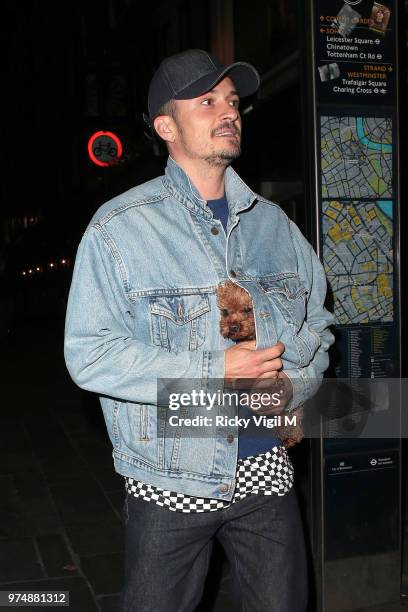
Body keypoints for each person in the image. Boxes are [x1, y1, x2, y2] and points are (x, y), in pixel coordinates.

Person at [64, 49, 334, 611]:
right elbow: (89, 355)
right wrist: (215, 367)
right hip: (170, 477)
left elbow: (320, 323)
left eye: (233, 101)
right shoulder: (121, 228)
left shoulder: (274, 225)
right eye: (207, 100)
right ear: (166, 126)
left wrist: (292, 386)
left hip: (265, 467)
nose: (227, 111)